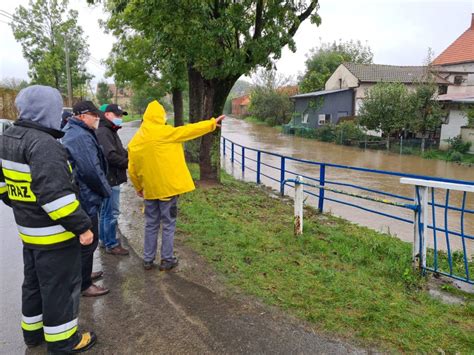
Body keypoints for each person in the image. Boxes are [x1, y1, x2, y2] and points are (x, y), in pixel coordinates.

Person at [0, 85, 97, 353]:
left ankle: (33, 335)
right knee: (60, 289)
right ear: (47, 111)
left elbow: (3, 185)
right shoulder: (44, 145)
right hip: (54, 235)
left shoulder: (8, 137)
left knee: (33, 285)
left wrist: (19, 202)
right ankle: (64, 342)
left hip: (29, 232)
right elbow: (56, 197)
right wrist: (83, 226)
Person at [128, 100, 225, 270]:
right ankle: (167, 259)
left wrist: (139, 188)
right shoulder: (167, 133)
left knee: (151, 224)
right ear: (160, 116)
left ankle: (148, 259)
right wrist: (211, 124)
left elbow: (132, 170)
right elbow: (189, 130)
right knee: (168, 224)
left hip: (150, 191)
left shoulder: (135, 141)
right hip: (168, 191)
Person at [62, 101, 112, 297]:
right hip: (85, 198)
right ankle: (84, 284)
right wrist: (106, 190)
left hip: (84, 195)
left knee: (86, 243)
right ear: (82, 116)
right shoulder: (79, 136)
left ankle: (85, 274)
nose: (97, 118)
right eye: (94, 115)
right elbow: (91, 171)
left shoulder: (78, 131)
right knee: (88, 242)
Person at [96, 104, 129, 255]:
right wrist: (129, 163)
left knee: (105, 212)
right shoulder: (104, 131)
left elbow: (119, 151)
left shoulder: (110, 130)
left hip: (110, 177)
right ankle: (111, 243)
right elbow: (110, 156)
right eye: (118, 115)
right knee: (112, 212)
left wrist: (129, 154)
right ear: (108, 115)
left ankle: (104, 240)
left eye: (121, 116)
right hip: (110, 178)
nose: (120, 118)